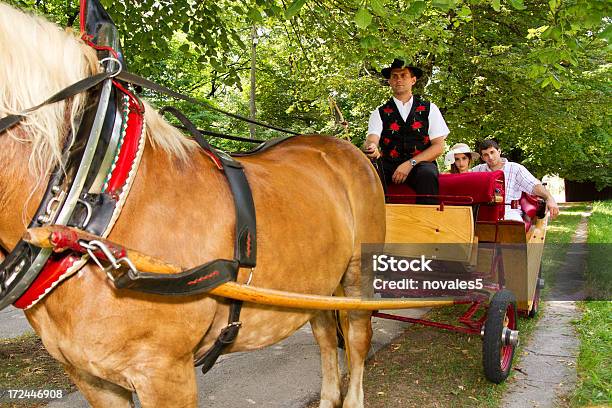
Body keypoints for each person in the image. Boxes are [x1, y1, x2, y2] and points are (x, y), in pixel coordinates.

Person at [363, 59, 449, 204]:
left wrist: (410, 164)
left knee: (427, 173)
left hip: (421, 164)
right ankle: (376, 219)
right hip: (388, 164)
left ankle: (428, 223)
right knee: (369, 172)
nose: (399, 79)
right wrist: (371, 147)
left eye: (404, 75)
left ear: (413, 80)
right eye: (395, 76)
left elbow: (438, 147)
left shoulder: (430, 108)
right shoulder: (379, 112)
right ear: (389, 81)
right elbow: (372, 138)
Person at [471, 139, 560, 221]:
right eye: (486, 155)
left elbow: (534, 185)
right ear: (482, 158)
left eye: (492, 152)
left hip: (509, 212)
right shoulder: (477, 170)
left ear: (499, 151)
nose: (490, 157)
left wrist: (549, 198)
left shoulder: (515, 168)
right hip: (483, 213)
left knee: (512, 229)